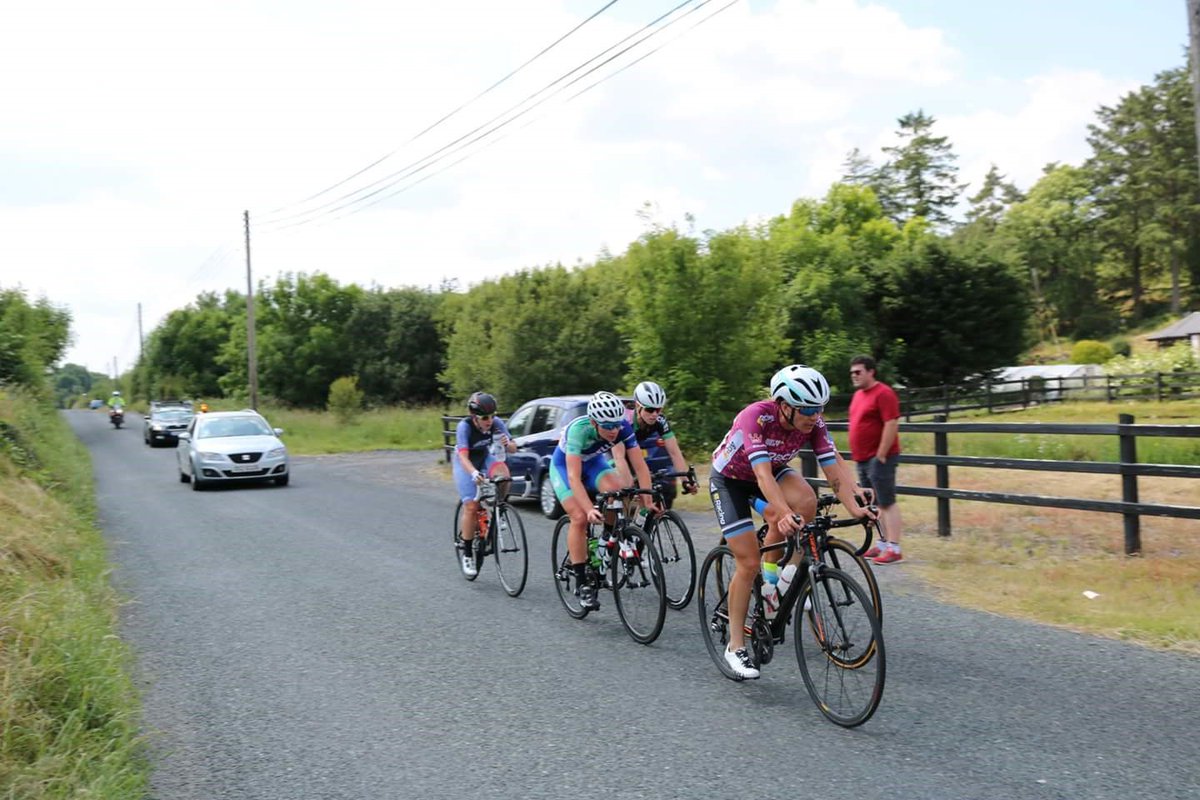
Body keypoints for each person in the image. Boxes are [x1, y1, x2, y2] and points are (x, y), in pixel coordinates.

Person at [708, 364, 875, 679]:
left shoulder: (814, 423)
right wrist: (783, 513)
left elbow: (833, 468)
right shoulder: (756, 417)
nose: (814, 416)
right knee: (747, 563)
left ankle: (780, 581)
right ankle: (735, 646)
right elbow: (761, 475)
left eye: (819, 408)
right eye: (808, 409)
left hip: (771, 471)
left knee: (807, 501)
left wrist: (856, 508)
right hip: (731, 481)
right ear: (784, 405)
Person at [551, 390, 658, 611]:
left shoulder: (623, 429)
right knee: (579, 517)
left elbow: (640, 466)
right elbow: (573, 477)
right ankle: (583, 585)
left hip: (593, 463)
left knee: (619, 492)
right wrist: (589, 508)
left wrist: (647, 501)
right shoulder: (579, 431)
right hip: (564, 467)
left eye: (617, 425)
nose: (614, 430)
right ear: (593, 422)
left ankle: (607, 540)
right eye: (607, 426)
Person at [452, 391, 517, 577]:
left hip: (484, 457)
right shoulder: (464, 427)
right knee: (471, 506)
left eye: (493, 416)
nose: (490, 420)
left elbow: (513, 448)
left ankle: (500, 508)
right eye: (485, 417)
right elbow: (463, 457)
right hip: (465, 463)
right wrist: (473, 473)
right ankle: (467, 553)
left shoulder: (496, 423)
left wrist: (508, 444)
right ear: (474, 417)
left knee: (504, 474)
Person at [849, 355, 904, 564]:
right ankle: (882, 544)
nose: (854, 376)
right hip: (863, 458)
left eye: (858, 372)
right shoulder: (858, 395)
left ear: (871, 371)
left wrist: (881, 454)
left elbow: (891, 423)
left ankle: (894, 547)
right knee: (874, 502)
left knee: (886, 501)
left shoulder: (883, 393)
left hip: (880, 457)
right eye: (852, 372)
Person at [625, 381, 699, 502]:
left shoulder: (660, 421)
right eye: (650, 410)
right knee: (625, 488)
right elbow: (622, 456)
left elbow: (674, 452)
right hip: (614, 451)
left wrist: (685, 480)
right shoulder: (626, 422)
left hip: (634, 449)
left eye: (658, 410)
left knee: (652, 492)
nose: (654, 414)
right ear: (638, 406)